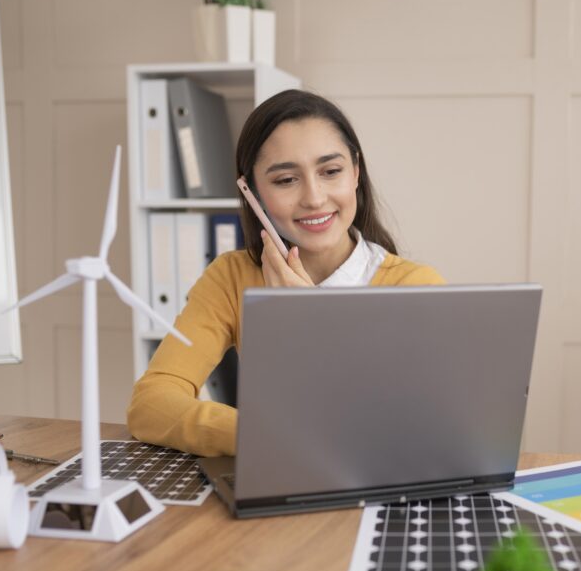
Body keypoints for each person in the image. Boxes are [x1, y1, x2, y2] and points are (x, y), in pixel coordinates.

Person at [127, 89, 445, 456]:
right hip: (276, 479)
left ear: (355, 173)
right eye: (285, 180)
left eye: (331, 171)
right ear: (253, 193)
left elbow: (413, 429)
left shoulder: (415, 286)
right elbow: (150, 405)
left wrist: (310, 321)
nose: (313, 197)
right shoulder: (231, 277)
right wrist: (258, 436)